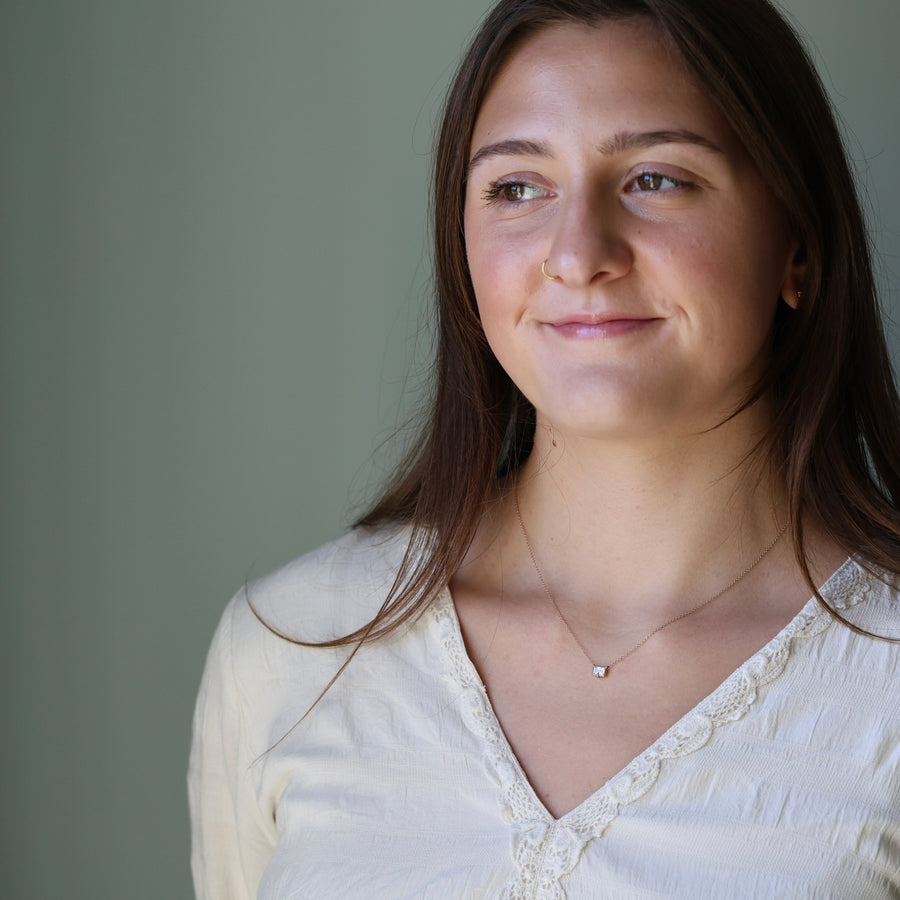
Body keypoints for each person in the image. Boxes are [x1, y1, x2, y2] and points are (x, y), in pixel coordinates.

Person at [189, 0, 900, 896]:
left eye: (656, 178)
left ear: (796, 243)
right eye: (517, 188)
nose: (578, 253)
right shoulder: (291, 649)